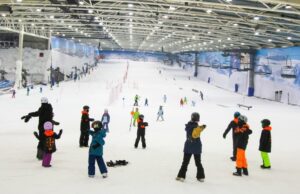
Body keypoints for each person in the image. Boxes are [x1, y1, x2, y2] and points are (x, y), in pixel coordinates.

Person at [176, 112, 206, 182]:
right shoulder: (197, 127)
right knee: (198, 162)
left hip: (188, 146)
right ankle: (201, 177)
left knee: (185, 162)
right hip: (197, 146)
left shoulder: (188, 126)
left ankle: (181, 176)